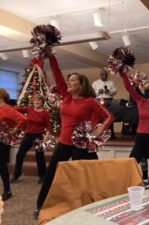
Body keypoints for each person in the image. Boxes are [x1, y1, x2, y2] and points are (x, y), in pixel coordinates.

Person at [34, 47, 114, 218]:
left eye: (72, 80)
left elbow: (109, 116)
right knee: (51, 174)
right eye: (68, 80)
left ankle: (83, 208)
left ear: (81, 84)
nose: (68, 83)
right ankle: (40, 205)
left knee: (81, 178)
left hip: (80, 145)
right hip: (63, 143)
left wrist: (101, 128)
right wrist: (50, 55)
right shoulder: (67, 96)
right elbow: (57, 74)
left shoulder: (90, 102)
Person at [11, 94, 50, 184]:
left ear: (42, 102)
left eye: (39, 101)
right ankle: (17, 174)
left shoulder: (45, 113)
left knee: (39, 156)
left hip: (39, 136)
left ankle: (42, 176)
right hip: (29, 135)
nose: (37, 102)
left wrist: (46, 138)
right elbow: (16, 109)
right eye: (36, 100)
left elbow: (48, 126)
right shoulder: (29, 109)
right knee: (20, 154)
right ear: (33, 101)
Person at [0, 88, 27, 201]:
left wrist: (12, 132)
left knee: (1, 166)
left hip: (2, 141)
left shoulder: (6, 109)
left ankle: (7, 190)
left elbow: (23, 119)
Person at [92, 68, 117, 138]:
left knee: (110, 117)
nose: (104, 76)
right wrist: (98, 92)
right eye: (102, 74)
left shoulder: (111, 82)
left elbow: (115, 91)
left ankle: (111, 135)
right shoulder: (95, 83)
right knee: (99, 118)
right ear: (100, 75)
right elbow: (92, 93)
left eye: (105, 75)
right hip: (98, 101)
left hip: (109, 101)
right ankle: (99, 134)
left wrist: (109, 92)